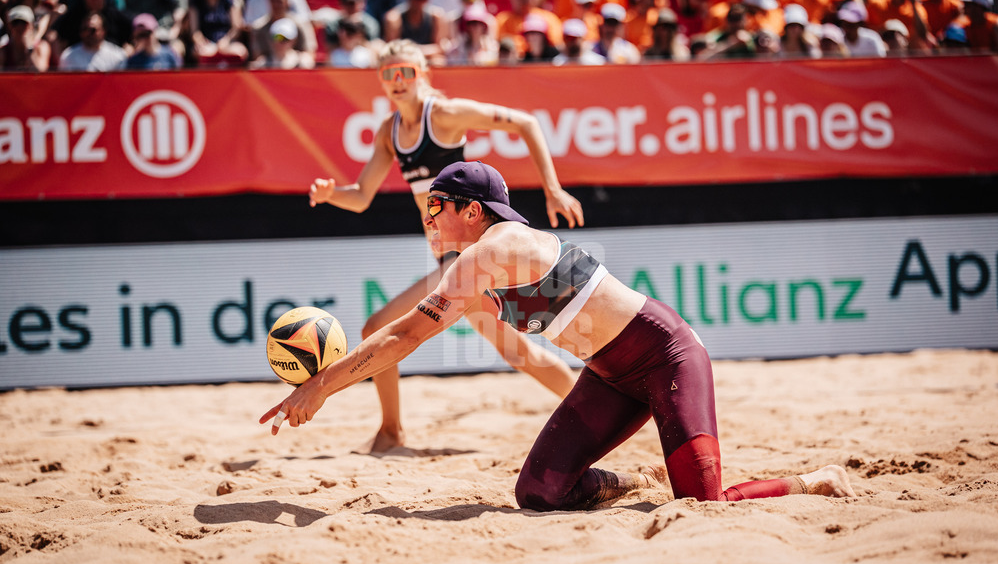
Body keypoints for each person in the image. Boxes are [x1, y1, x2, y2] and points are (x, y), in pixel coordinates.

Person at [263, 160, 857, 511]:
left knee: (704, 504)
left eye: (437, 204)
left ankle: (814, 481)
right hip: (610, 377)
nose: (429, 216)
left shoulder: (490, 252)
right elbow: (411, 332)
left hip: (668, 357)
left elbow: (404, 337)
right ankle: (637, 479)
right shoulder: (480, 262)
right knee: (540, 493)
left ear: (472, 211)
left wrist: (320, 385)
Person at [306, 40, 583, 453]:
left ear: (422, 75)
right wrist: (332, 195)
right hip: (451, 257)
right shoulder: (389, 132)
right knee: (517, 353)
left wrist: (553, 188)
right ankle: (594, 410)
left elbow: (526, 122)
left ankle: (391, 432)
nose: (397, 81)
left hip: (466, 254)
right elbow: (361, 196)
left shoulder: (444, 115)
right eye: (388, 74)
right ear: (381, 80)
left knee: (375, 328)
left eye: (405, 72)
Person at [58, 11, 128, 70]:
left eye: (93, 30)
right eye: (84, 29)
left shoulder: (118, 56)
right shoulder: (68, 56)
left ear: (103, 31)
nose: (87, 33)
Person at [0, 4, 51, 71]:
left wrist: (28, 48)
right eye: (15, 23)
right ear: (10, 26)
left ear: (31, 25)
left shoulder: (41, 47)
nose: (19, 26)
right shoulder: (4, 51)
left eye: (24, 23)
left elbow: (41, 72)